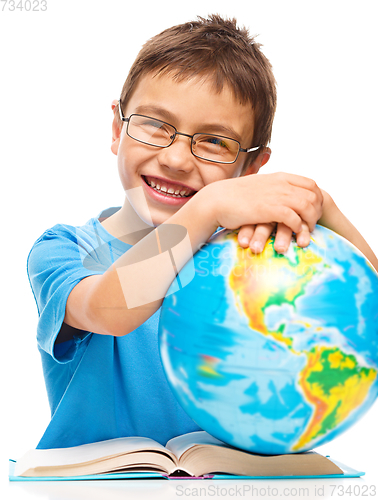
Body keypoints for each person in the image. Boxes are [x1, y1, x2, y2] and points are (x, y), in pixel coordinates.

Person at [27, 14, 378, 450]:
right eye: (155, 125)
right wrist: (209, 206)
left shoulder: (255, 257)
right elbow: (109, 312)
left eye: (214, 142)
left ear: (250, 168)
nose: (176, 159)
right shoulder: (63, 249)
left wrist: (325, 209)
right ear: (118, 130)